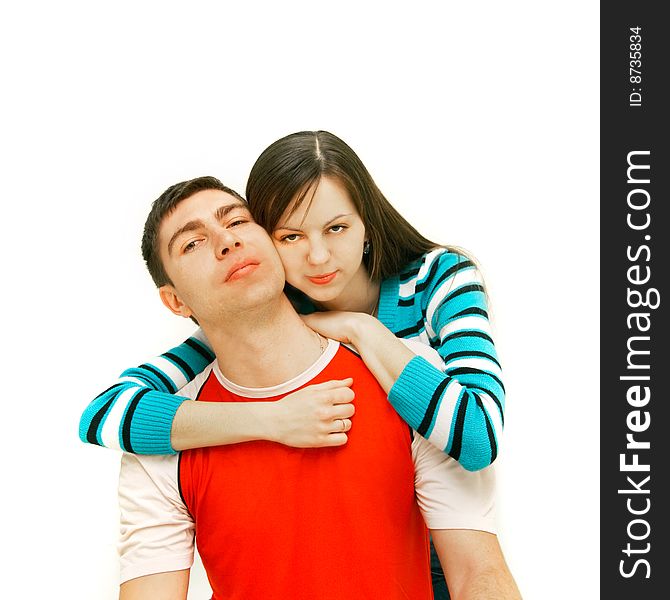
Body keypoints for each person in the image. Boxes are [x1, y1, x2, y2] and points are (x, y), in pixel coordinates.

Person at [80, 131, 509, 598]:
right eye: (291, 236)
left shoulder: (434, 297)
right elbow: (106, 412)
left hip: (429, 532)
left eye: (337, 228)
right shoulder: (267, 305)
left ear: (367, 222)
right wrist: (274, 418)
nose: (319, 256)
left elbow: (478, 435)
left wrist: (364, 331)